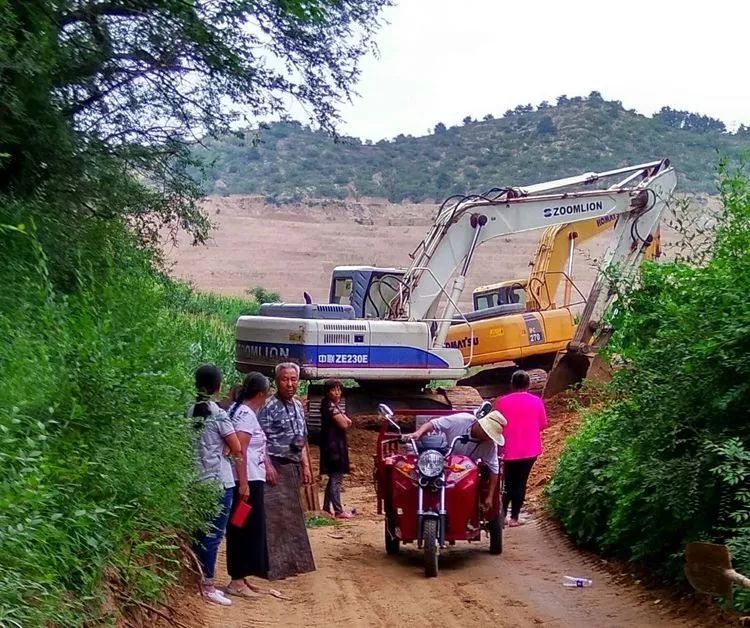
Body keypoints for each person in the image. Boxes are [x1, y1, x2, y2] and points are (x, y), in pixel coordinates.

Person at [188, 364, 248, 607]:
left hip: (193, 481)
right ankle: (208, 585)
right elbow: (236, 447)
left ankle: (196, 579)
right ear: (218, 387)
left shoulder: (189, 411)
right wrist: (227, 448)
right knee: (213, 535)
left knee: (198, 534)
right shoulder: (219, 414)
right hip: (218, 482)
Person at [257, 362, 315, 578]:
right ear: (276, 381)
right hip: (275, 467)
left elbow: (302, 438)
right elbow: (258, 438)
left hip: (293, 468)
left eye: (293, 379)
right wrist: (268, 466)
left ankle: (295, 564)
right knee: (274, 520)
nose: (290, 384)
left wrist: (305, 465)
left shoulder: (299, 406)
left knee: (293, 519)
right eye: (285, 379)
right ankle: (275, 568)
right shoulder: (268, 406)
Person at [224, 372, 272, 598]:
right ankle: (236, 580)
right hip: (246, 481)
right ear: (262, 394)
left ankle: (242, 577)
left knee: (245, 527)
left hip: (250, 478)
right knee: (242, 528)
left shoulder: (240, 410)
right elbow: (239, 450)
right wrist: (243, 484)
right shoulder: (245, 414)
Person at [408, 409, 507, 513]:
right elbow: (433, 424)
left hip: (466, 471)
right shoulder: (460, 420)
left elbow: (494, 470)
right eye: (487, 433)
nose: (487, 437)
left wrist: (489, 496)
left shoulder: (489, 445)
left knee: (469, 488)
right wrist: (418, 433)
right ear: (480, 425)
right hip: (443, 459)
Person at [495, 369, 548, 527]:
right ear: (528, 384)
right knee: (520, 483)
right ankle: (514, 518)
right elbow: (543, 424)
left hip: (508, 449)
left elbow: (496, 424)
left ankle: (502, 516)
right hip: (530, 449)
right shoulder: (536, 401)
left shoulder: (502, 402)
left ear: (512, 384)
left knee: (507, 483)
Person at [319, 379, 353, 519]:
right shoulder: (329, 406)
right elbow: (345, 424)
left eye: (339, 389)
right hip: (333, 447)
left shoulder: (332, 405)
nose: (337, 392)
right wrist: (344, 419)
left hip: (333, 445)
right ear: (327, 392)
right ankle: (339, 511)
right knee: (336, 478)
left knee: (333, 478)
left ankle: (327, 508)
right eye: (334, 390)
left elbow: (347, 421)